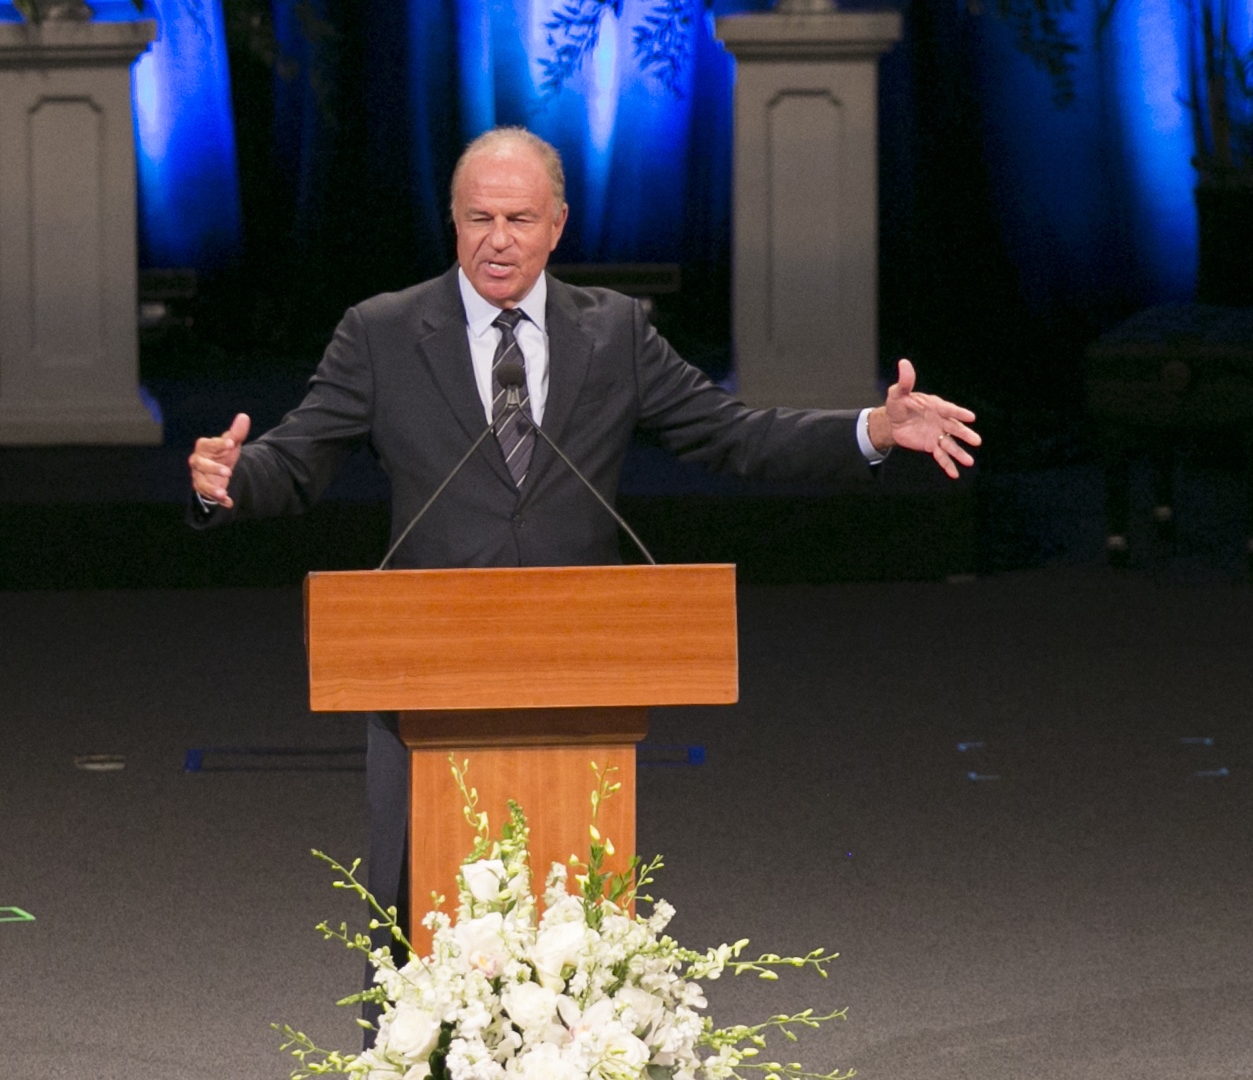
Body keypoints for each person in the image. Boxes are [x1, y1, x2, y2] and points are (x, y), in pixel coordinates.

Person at [188, 126, 980, 972]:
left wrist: (873, 430)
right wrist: (228, 479)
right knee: (412, 906)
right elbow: (298, 458)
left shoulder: (614, 333)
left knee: (573, 899)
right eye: (479, 218)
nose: (499, 240)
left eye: (520, 219)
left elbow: (732, 435)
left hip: (579, 660)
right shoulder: (381, 333)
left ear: (557, 224)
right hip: (424, 665)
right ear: (451, 222)